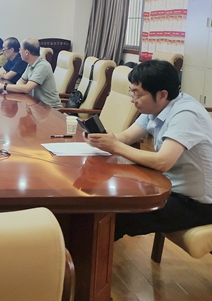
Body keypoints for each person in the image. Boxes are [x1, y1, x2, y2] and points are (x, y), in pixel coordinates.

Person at [85, 59, 212, 241]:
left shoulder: (186, 115)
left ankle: (84, 256)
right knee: (106, 201)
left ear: (162, 94)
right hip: (169, 188)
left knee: (113, 216)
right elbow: (127, 137)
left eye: (137, 94)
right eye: (131, 92)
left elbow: (163, 162)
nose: (132, 100)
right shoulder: (157, 107)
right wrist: (102, 139)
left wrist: (115, 146)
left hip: (197, 204)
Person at [0, 38, 61, 108]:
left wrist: (4, 86)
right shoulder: (30, 64)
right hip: (35, 104)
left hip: (49, 108)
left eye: (20, 50)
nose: (19, 52)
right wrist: (21, 88)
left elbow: (27, 88)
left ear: (26, 52)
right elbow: (21, 81)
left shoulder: (42, 66)